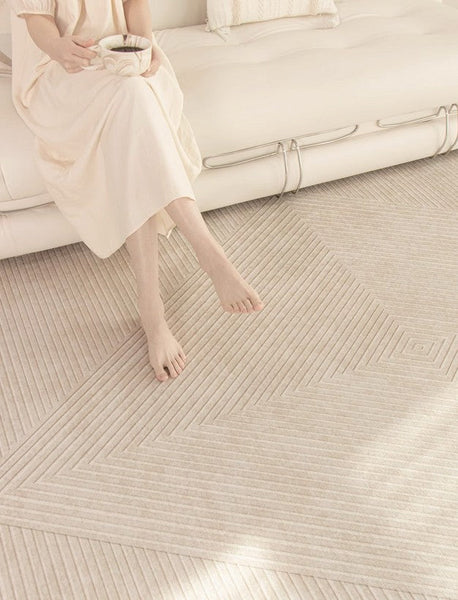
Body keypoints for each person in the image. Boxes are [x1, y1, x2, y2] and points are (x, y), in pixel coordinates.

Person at [7, 0, 264, 382]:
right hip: (59, 71)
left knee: (131, 103)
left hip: (121, 59)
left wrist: (146, 44)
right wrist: (59, 47)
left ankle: (151, 305)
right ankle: (208, 253)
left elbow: (133, 3)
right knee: (130, 100)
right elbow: (37, 20)